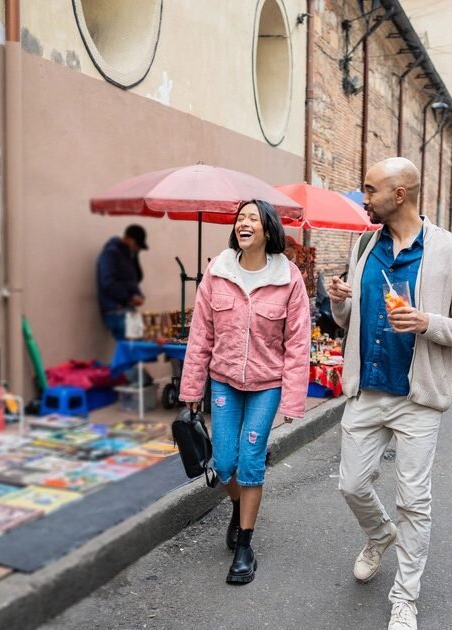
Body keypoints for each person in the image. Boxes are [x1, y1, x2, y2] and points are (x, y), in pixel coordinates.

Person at [327, 157, 452, 630]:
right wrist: (340, 300)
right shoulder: (363, 245)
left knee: (414, 501)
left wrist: (427, 322)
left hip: (418, 398)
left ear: (399, 195)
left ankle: (405, 597)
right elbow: (347, 323)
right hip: (367, 390)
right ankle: (379, 536)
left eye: (370, 190)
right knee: (351, 484)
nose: (363, 198)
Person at [179, 199, 310, 586]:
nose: (244, 223)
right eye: (240, 218)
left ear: (268, 229)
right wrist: (190, 388)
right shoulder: (217, 272)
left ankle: (245, 546)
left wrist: (291, 401)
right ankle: (239, 506)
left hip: (266, 386)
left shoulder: (289, 278)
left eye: (253, 217)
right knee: (223, 463)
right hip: (223, 382)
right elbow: (200, 334)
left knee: (250, 460)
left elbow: (298, 344)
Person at [96, 225, 148, 340]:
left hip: (127, 309)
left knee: (138, 346)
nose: (138, 248)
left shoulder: (127, 255)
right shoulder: (111, 253)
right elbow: (108, 282)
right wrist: (129, 297)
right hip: (116, 309)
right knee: (131, 348)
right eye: (137, 245)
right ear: (128, 238)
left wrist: (138, 296)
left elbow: (134, 280)